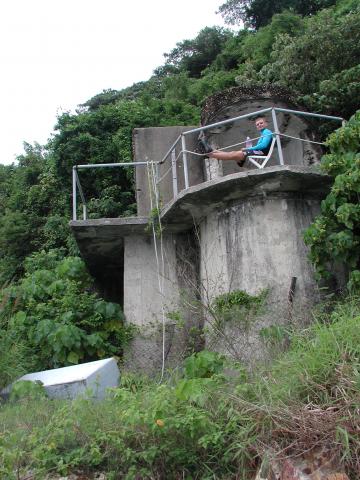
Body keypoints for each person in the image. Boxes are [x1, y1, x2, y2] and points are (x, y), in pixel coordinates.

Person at [201, 116, 273, 167]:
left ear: (266, 124)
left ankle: (209, 153)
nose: (259, 125)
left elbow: (264, 145)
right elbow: (261, 146)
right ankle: (210, 151)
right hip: (258, 153)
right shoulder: (263, 134)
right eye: (257, 124)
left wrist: (248, 149)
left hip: (260, 153)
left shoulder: (267, 132)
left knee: (232, 154)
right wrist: (249, 148)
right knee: (231, 154)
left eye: (261, 123)